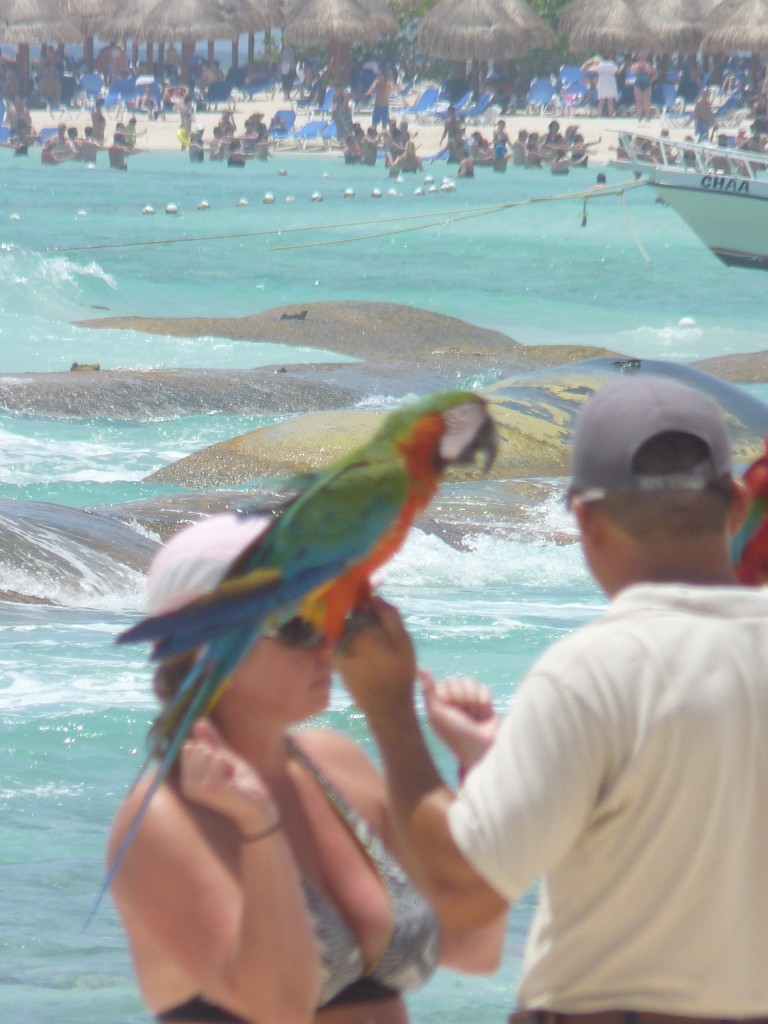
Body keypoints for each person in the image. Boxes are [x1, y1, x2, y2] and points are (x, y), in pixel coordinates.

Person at [337, 375, 768, 1021]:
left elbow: (463, 895)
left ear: (586, 518)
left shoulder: (595, 671)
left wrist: (389, 708)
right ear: (736, 501)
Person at [108, 513, 505, 1024]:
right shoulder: (163, 818)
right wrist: (259, 830)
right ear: (210, 648)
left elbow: (473, 947)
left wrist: (474, 770)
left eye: (338, 616)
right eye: (299, 624)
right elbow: (279, 1006)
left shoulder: (335, 763)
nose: (328, 644)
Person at [631, 55, 655, 121]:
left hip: (647, 84)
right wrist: (639, 67)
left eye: (643, 59)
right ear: (638, 59)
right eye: (640, 59)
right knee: (638, 102)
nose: (642, 60)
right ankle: (639, 116)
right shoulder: (635, 65)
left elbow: (654, 73)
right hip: (638, 85)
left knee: (646, 101)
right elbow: (632, 70)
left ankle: (647, 116)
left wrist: (651, 80)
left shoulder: (649, 65)